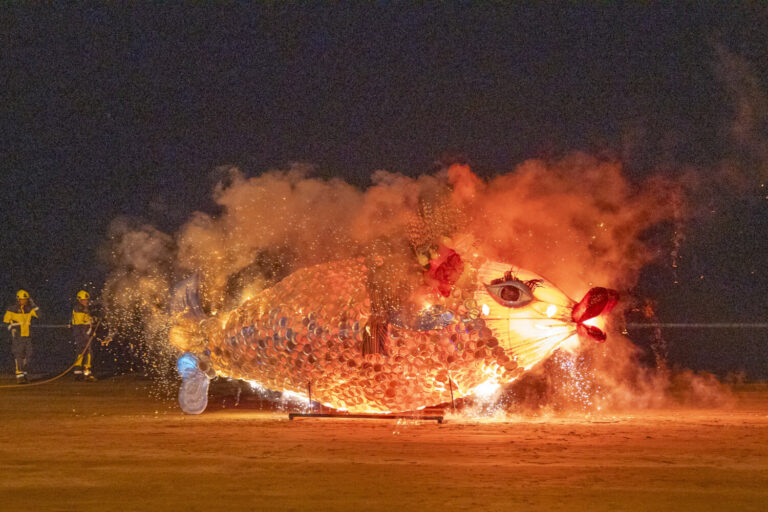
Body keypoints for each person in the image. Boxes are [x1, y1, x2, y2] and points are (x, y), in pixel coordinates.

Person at [3, 290, 39, 383]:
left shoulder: (29, 309)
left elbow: (40, 315)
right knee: (19, 355)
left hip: (28, 335)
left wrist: (34, 305)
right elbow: (5, 322)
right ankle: (19, 375)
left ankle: (24, 372)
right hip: (18, 336)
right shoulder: (11, 309)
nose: (24, 301)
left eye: (25, 299)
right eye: (22, 299)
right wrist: (13, 328)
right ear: (18, 300)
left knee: (29, 355)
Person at [71, 290, 100, 381]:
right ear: (79, 300)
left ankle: (78, 372)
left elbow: (87, 319)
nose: (85, 301)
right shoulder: (80, 309)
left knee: (80, 352)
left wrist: (94, 318)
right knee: (88, 352)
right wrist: (89, 332)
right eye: (83, 300)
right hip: (82, 333)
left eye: (86, 300)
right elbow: (83, 324)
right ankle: (87, 373)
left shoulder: (82, 309)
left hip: (80, 333)